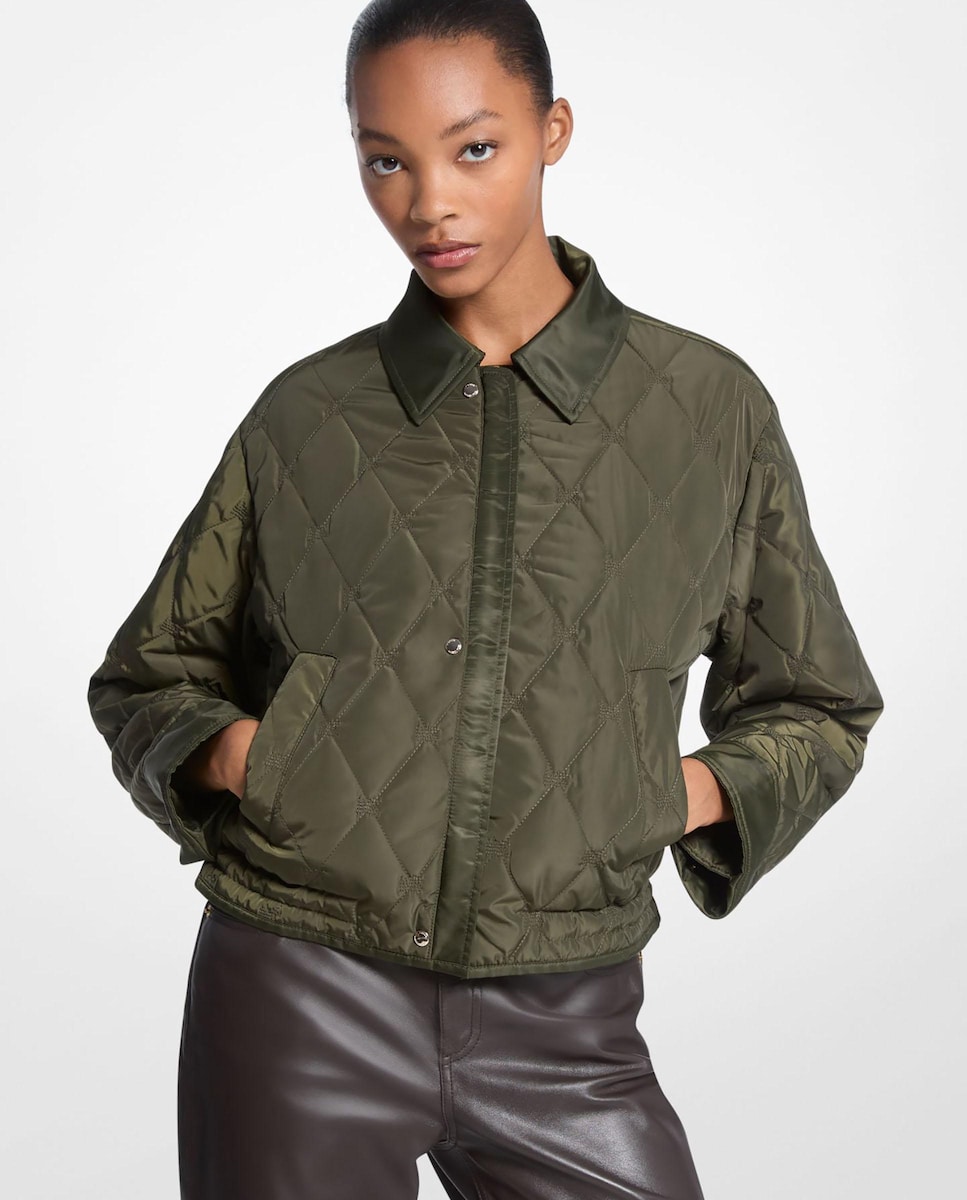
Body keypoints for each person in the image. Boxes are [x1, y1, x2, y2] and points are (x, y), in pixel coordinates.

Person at [86, 1, 884, 1197]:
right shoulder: (309, 414)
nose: (428, 204)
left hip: (567, 1019)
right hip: (300, 993)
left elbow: (816, 702)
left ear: (551, 130)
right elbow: (149, 676)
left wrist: (666, 793)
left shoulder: (706, 410)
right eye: (385, 161)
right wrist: (259, 761)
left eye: (473, 148)